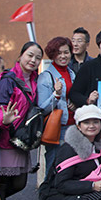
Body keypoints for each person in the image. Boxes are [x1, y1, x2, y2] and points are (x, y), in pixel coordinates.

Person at [0, 41, 43, 200]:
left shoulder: (34, 81)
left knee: (20, 183)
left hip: (22, 140)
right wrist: (3, 120)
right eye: (30, 55)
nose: (33, 60)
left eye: (37, 58)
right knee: (2, 184)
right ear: (21, 55)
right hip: (6, 138)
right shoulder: (8, 80)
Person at [38, 37, 76, 175]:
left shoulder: (71, 73)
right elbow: (42, 108)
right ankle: (47, 189)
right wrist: (56, 95)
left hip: (72, 126)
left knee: (68, 168)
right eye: (59, 53)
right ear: (52, 54)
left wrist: (74, 104)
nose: (63, 56)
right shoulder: (45, 76)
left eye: (66, 52)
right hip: (57, 128)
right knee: (53, 167)